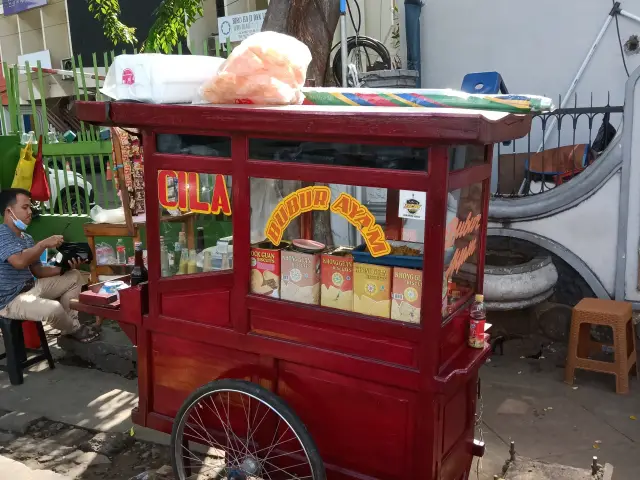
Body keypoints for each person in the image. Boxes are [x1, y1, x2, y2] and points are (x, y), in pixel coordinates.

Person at [0, 188, 99, 343]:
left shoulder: (27, 238)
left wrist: (66, 267)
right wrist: (43, 244)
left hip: (31, 286)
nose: (30, 212)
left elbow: (38, 271)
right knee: (53, 308)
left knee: (74, 276)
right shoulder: (2, 234)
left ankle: (70, 327)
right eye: (25, 207)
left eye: (30, 207)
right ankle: (74, 329)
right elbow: (18, 262)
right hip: (10, 301)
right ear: (9, 211)